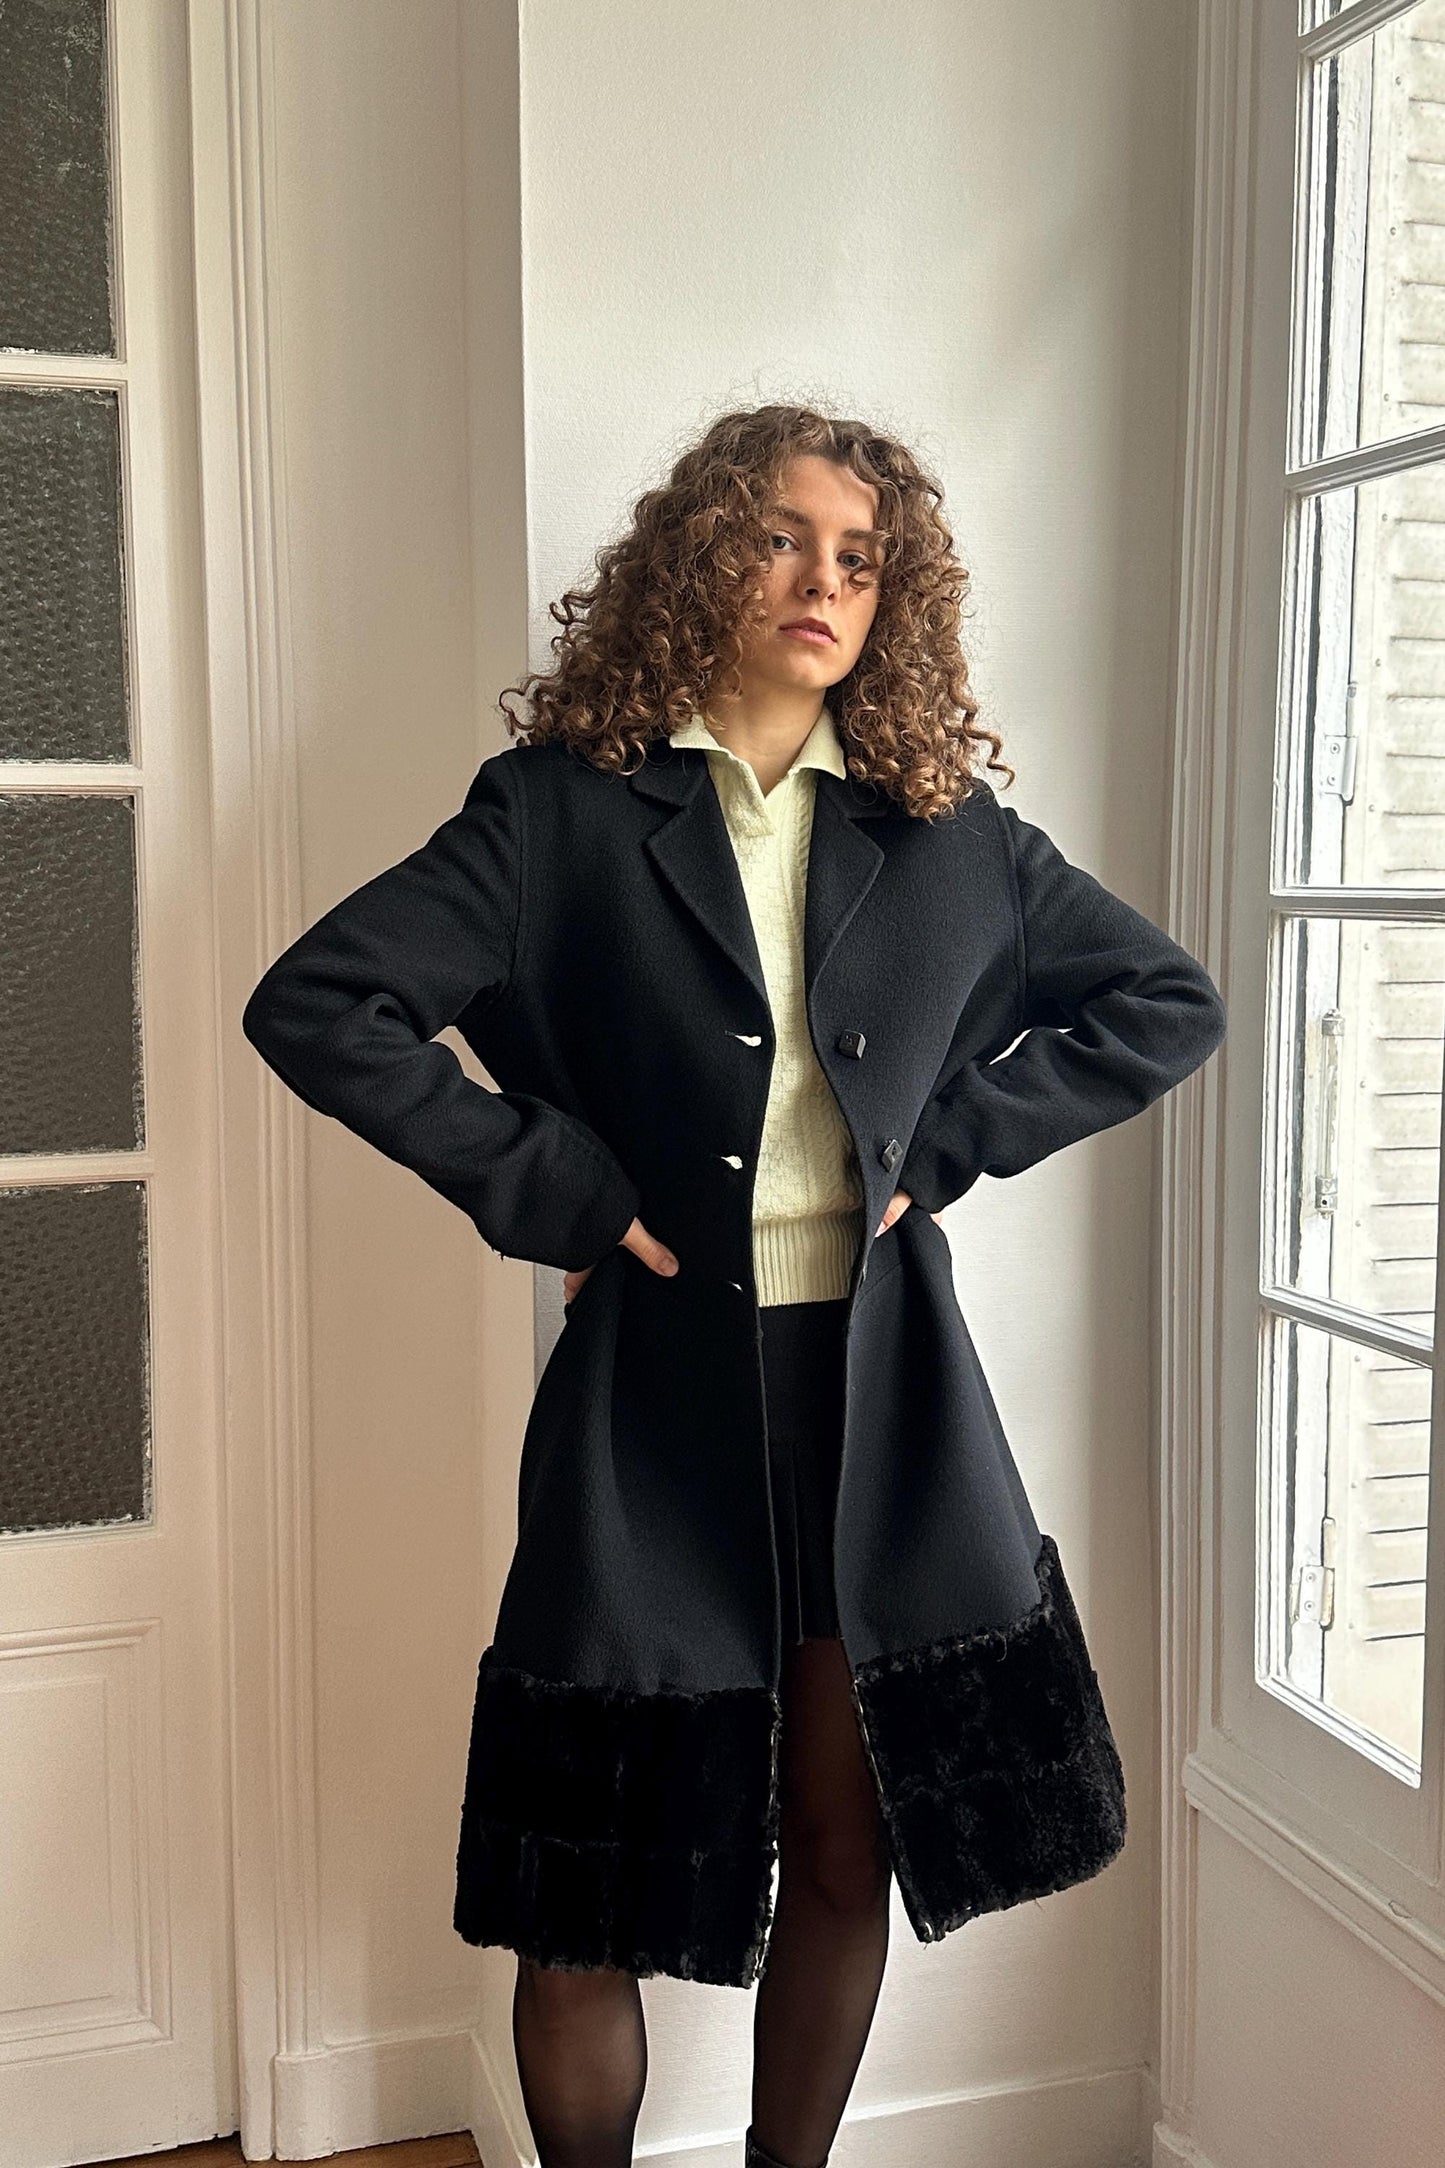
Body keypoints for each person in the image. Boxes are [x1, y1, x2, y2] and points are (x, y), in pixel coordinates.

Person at [242, 403, 1227, 2168]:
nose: (822, 582)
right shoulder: (556, 816)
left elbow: (1166, 1001)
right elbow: (322, 1002)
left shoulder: (951, 838)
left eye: (862, 558)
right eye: (783, 537)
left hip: (877, 1407)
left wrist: (958, 1139)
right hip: (650, 1403)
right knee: (588, 1887)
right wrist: (552, 1183)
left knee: (847, 1847)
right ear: (705, 555)